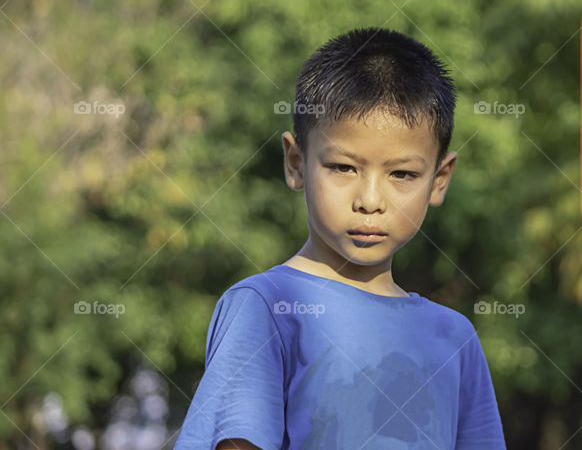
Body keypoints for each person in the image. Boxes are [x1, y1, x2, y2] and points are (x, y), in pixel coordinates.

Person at [174, 27, 507, 449]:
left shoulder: (455, 339)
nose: (369, 201)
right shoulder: (266, 308)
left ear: (439, 180)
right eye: (343, 168)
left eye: (402, 174)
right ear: (296, 163)